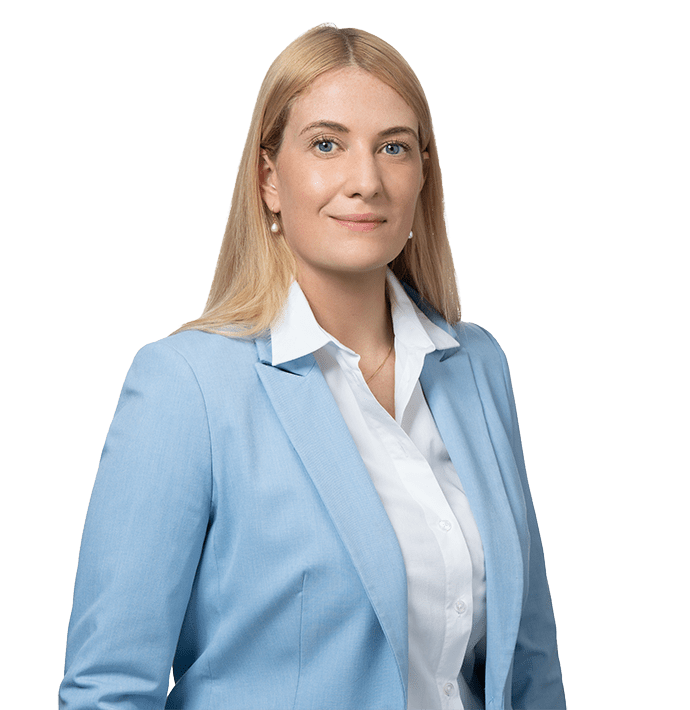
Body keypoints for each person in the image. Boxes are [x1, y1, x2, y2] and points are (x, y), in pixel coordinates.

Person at [58, 23, 566, 710]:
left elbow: (530, 665)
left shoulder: (476, 366)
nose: (366, 182)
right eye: (327, 144)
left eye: (394, 147)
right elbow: (109, 688)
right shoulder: (187, 386)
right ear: (269, 177)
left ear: (423, 174)